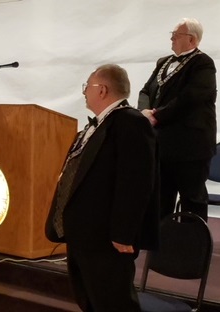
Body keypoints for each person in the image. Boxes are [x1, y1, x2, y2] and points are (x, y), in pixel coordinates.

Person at [45, 64, 159, 312]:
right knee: (89, 299)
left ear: (103, 90)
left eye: (87, 86)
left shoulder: (131, 122)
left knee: (114, 303)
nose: (84, 91)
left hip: (107, 238)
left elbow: (136, 181)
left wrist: (123, 233)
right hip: (82, 234)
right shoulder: (93, 126)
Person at [138, 18, 217, 222]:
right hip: (163, 143)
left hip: (191, 144)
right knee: (162, 197)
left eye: (176, 34)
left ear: (191, 39)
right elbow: (146, 90)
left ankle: (193, 245)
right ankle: (162, 244)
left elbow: (191, 97)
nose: (171, 38)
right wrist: (144, 111)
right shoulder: (163, 62)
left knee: (192, 197)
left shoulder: (203, 63)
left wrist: (157, 115)